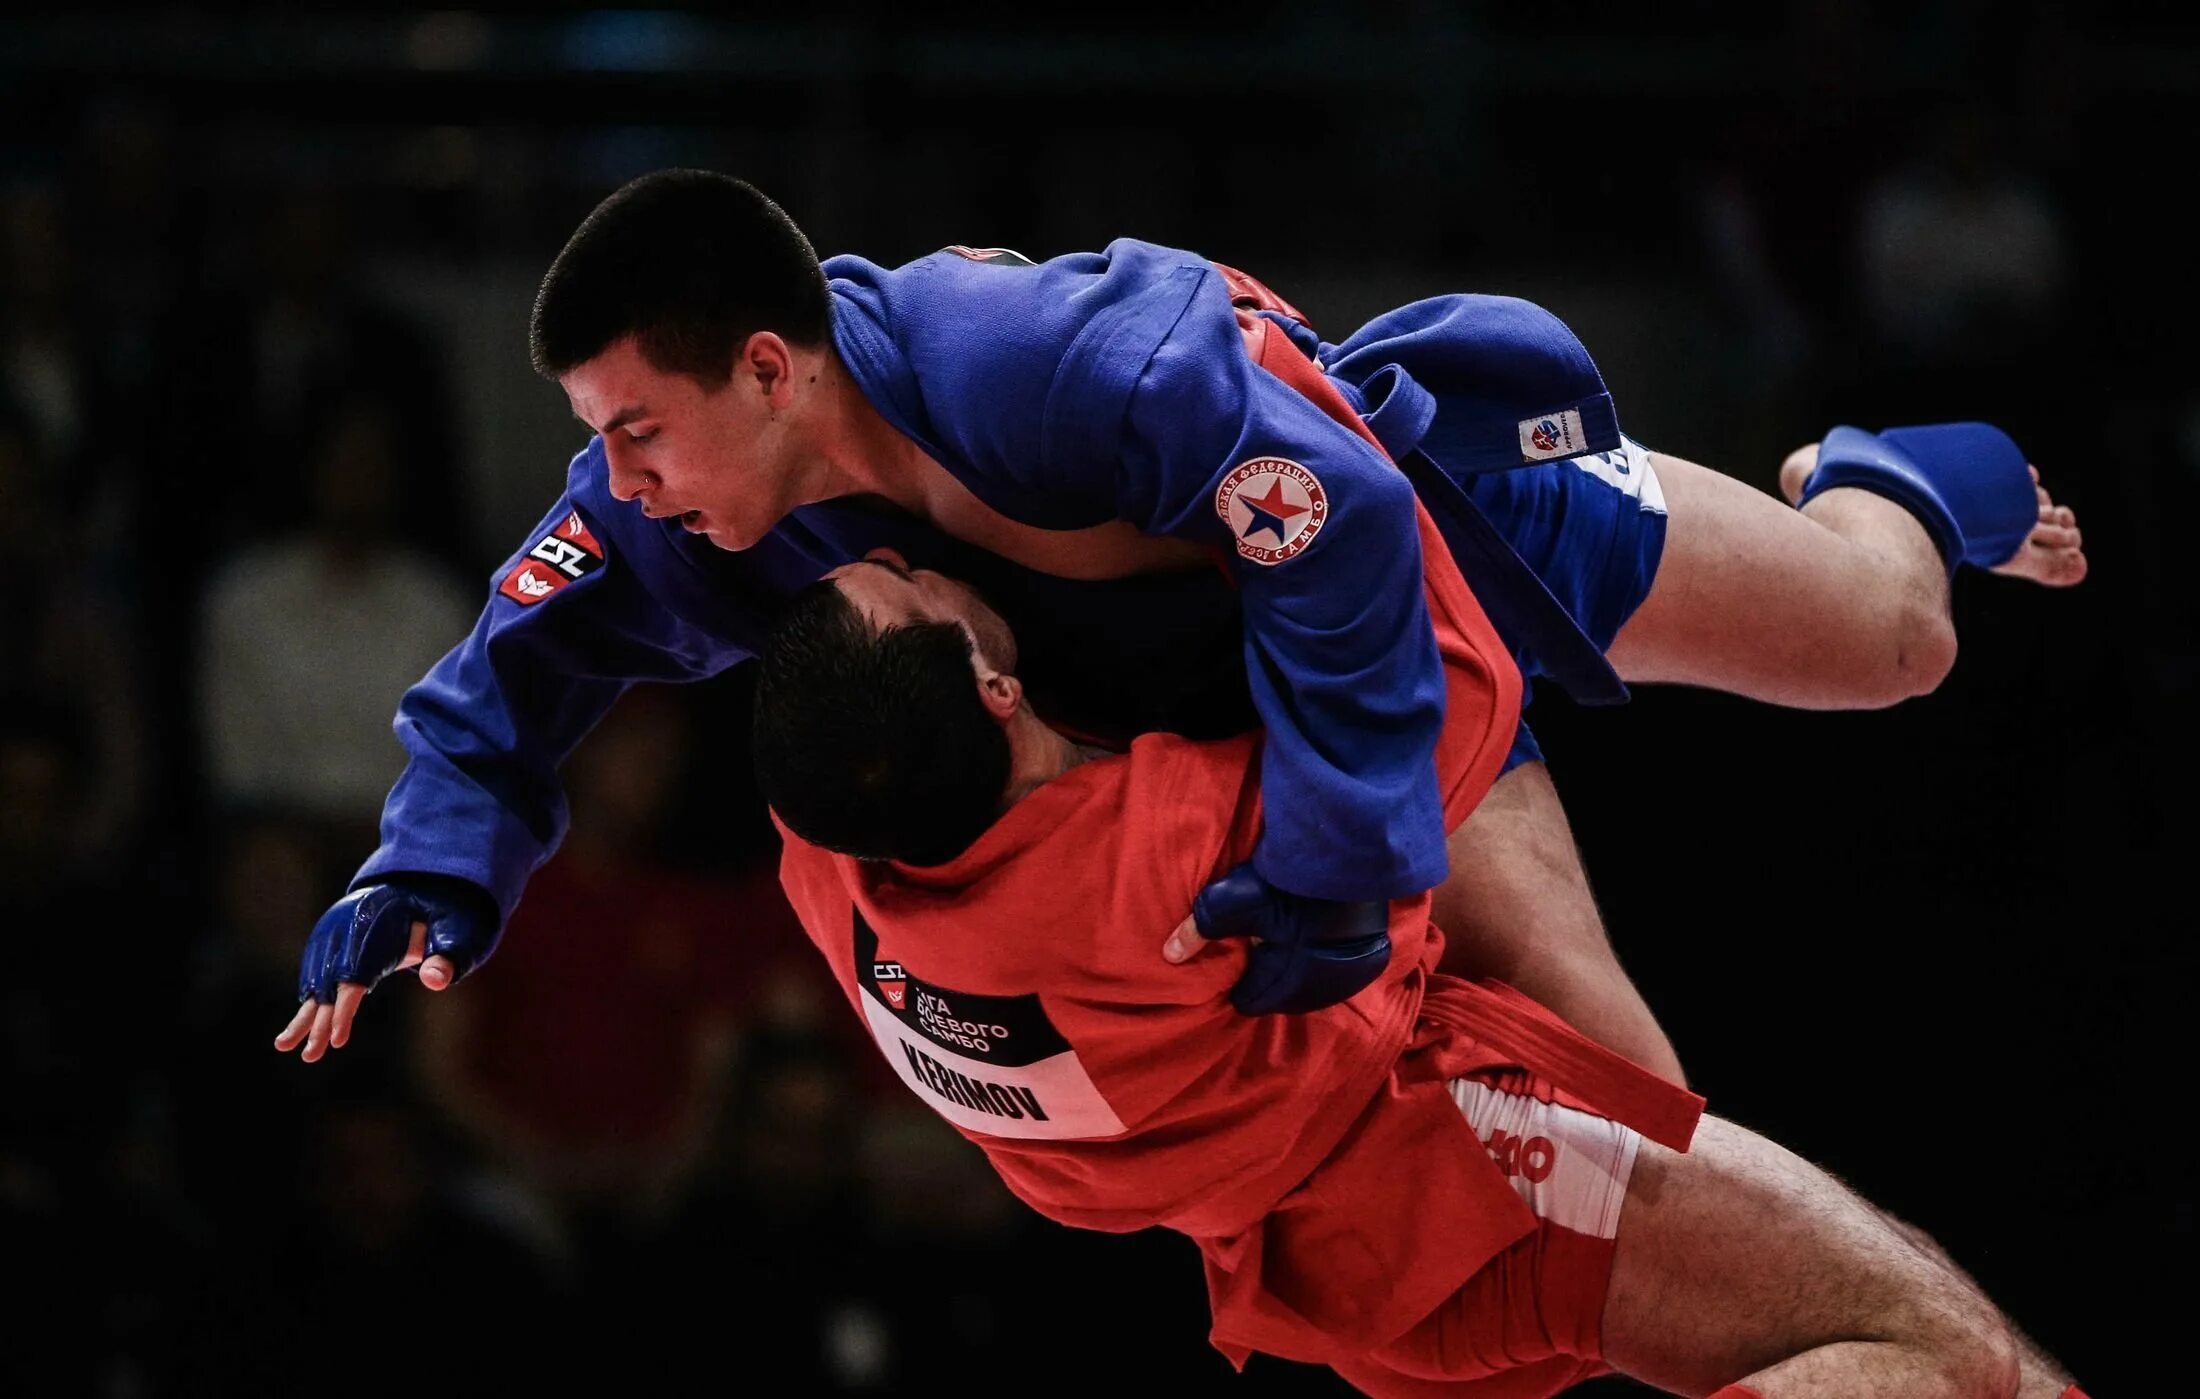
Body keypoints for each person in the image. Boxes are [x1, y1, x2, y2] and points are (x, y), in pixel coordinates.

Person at [279, 169, 2084, 1085]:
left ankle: (1885, 470)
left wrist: (1334, 855)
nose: (612, 480)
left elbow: (1345, 522)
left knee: (1891, 642)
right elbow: (507, 671)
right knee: (1610, 1074)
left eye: (636, 430)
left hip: (1428, 560)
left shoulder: (1059, 367)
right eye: (600, 440)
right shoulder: (678, 500)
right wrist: (430, 869)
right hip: (1285, 690)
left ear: (768, 366)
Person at [742, 536, 2088, 1397]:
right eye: (909, 583)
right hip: (1454, 1171)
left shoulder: (837, 880)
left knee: (1930, 1324)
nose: (896, 553)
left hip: (1319, 1289)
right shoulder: (1158, 858)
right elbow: (1422, 710)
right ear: (983, 684)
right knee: (1937, 1354)